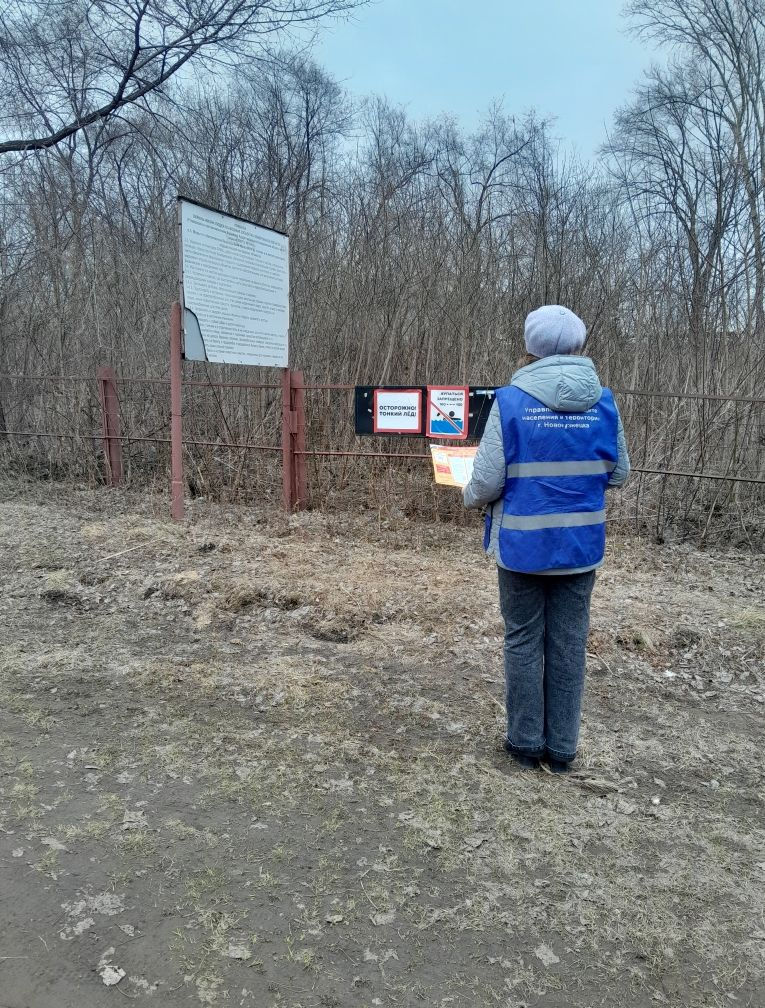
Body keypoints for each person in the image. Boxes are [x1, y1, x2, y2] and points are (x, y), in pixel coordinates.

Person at [463, 305, 630, 773]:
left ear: (529, 347)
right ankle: (561, 750)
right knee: (569, 645)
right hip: (580, 547)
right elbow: (620, 473)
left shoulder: (510, 402)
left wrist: (467, 493)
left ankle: (524, 744)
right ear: (580, 345)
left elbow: (486, 482)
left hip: (521, 548)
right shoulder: (604, 402)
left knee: (522, 640)